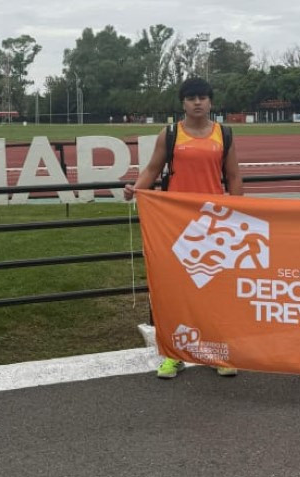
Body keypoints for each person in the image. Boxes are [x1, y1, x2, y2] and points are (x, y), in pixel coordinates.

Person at [124, 77, 243, 379]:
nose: (198, 103)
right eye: (191, 98)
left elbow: (233, 176)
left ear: (211, 102)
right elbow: (153, 168)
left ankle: (218, 351)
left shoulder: (224, 134)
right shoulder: (172, 133)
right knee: (175, 290)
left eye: (203, 97)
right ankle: (172, 354)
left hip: (212, 222)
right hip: (175, 221)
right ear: (183, 103)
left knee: (213, 289)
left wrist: (241, 210)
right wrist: (136, 189)